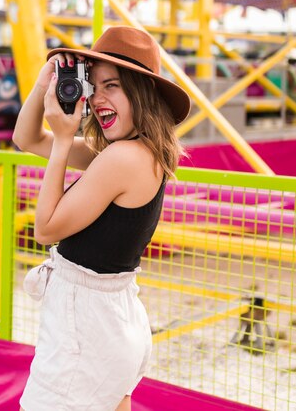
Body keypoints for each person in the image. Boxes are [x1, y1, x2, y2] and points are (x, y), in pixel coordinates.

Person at [13, 25, 191, 411]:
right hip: (109, 323)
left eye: (112, 85)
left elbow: (45, 229)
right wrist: (46, 83)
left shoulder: (121, 159)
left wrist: (63, 139)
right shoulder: (136, 152)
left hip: (87, 331)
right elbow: (27, 140)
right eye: (93, 87)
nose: (96, 99)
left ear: (142, 93)